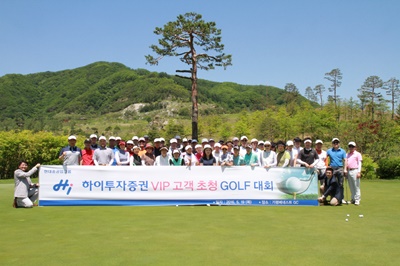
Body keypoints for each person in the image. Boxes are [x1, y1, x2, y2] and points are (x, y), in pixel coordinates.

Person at [326, 138, 347, 204]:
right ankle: (333, 197)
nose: (335, 144)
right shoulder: (329, 151)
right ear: (332, 143)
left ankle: (341, 198)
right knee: (333, 184)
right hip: (332, 168)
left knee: (340, 184)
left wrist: (345, 169)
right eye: (334, 143)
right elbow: (325, 158)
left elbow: (345, 160)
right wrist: (327, 165)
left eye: (337, 142)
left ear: (339, 143)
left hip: (340, 168)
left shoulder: (342, 151)